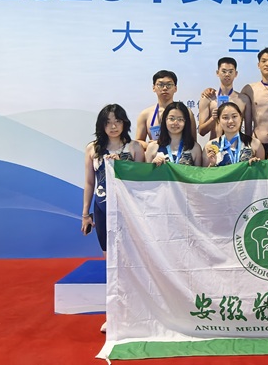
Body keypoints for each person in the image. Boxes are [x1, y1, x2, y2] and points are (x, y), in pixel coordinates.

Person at [81, 104, 144, 334]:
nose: (113, 126)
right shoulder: (93, 149)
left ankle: (137, 312)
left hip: (129, 213)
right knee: (112, 264)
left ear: (124, 122)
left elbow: (142, 183)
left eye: (117, 121)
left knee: (131, 262)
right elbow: (89, 183)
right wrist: (85, 214)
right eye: (108, 122)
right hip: (102, 210)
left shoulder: (134, 147)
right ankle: (114, 315)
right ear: (101, 125)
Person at [135, 70, 197, 149]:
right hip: (155, 155)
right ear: (153, 88)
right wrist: (154, 146)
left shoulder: (186, 112)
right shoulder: (145, 114)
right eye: (160, 85)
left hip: (180, 155)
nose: (165, 88)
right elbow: (138, 142)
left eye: (169, 85)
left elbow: (193, 142)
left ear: (175, 88)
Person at [198, 57, 253, 140]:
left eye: (230, 71)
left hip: (237, 146)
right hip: (214, 146)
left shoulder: (244, 100)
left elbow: (248, 132)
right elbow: (201, 132)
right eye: (224, 71)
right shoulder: (208, 98)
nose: (227, 74)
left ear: (236, 74)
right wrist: (213, 118)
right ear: (217, 73)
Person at [203, 101, 264, 166]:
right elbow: (204, 172)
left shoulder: (255, 144)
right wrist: (212, 164)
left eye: (234, 116)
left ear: (241, 117)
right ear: (218, 121)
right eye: (225, 117)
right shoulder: (210, 146)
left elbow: (263, 171)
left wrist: (256, 165)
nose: (230, 121)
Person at [144, 102, 202, 167]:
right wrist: (153, 165)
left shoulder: (195, 148)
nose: (175, 123)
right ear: (165, 120)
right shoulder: (153, 147)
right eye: (171, 118)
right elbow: (146, 173)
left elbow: (198, 173)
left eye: (180, 119)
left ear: (186, 122)